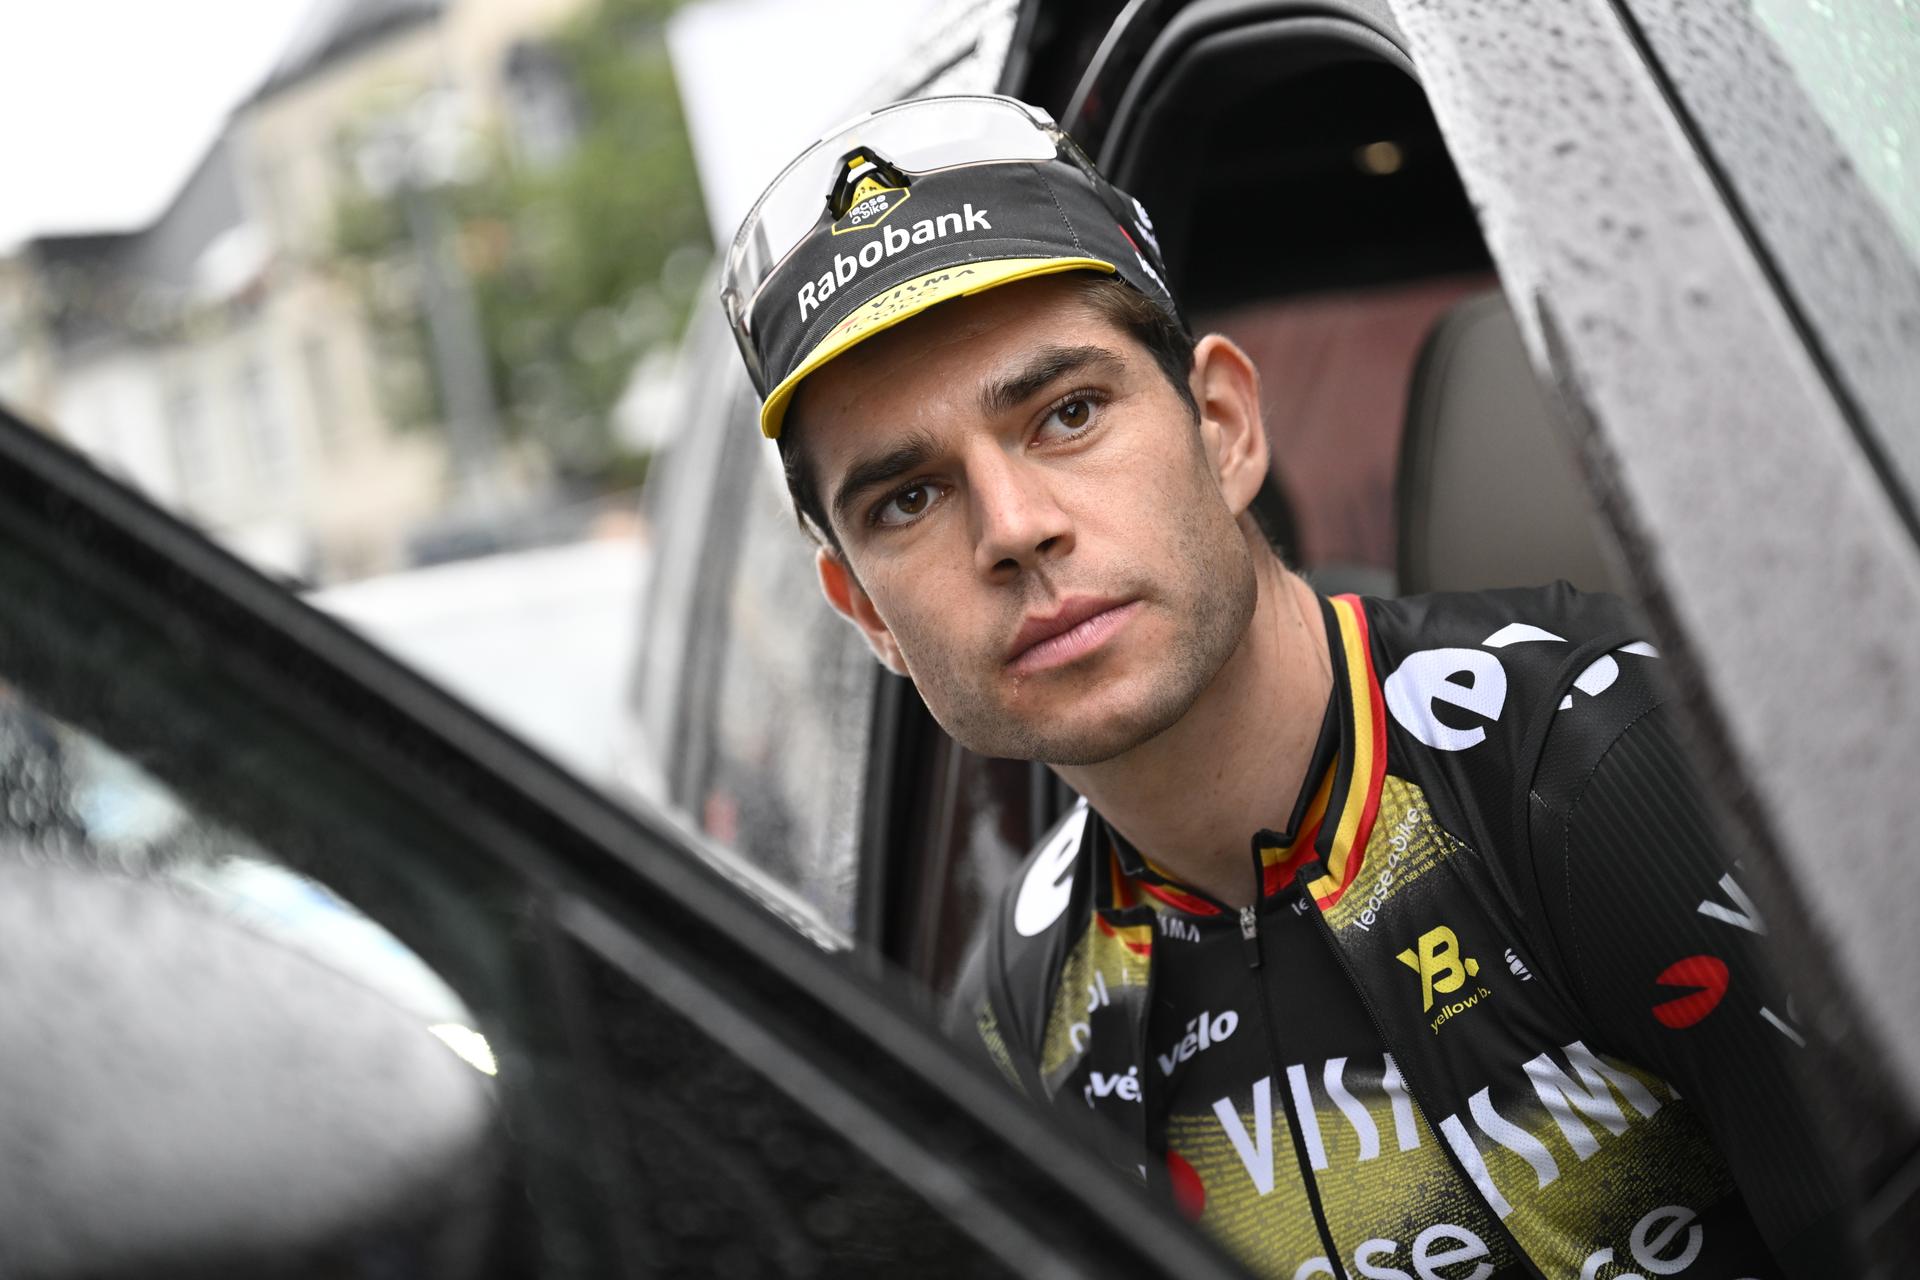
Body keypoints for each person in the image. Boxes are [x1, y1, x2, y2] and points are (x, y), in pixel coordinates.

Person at [719, 94, 1851, 1280]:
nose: (1014, 527)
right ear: (864, 614)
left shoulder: (1602, 767)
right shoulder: (1019, 1003)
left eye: (1067, 413)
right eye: (907, 497)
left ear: (1223, 426)